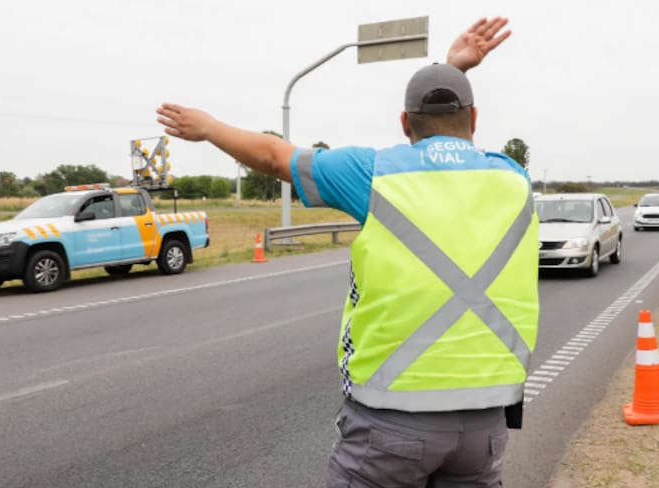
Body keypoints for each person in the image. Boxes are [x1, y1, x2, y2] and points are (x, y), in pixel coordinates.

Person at [156, 16, 538, 487]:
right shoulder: (513, 177)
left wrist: (210, 127)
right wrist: (452, 72)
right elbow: (450, 148)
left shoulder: (374, 174)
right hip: (485, 424)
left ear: (403, 123)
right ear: (475, 119)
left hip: (392, 422)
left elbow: (276, 156)